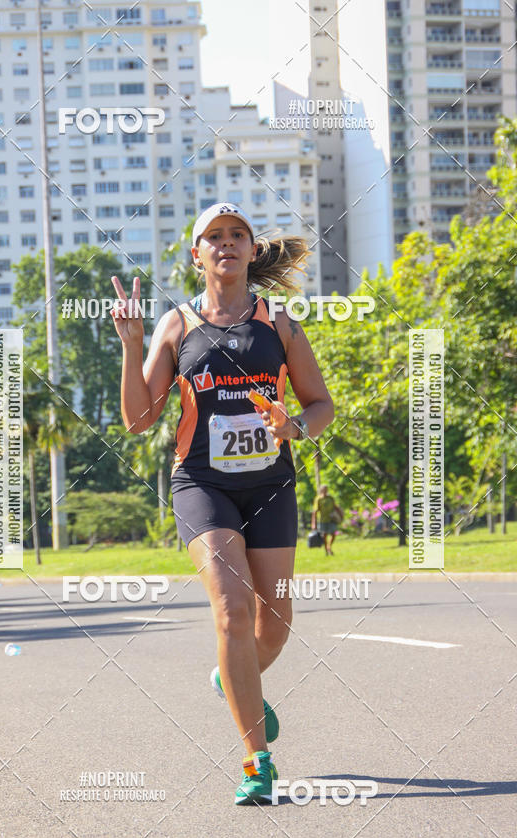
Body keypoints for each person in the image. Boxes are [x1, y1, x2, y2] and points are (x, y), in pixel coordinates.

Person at [110, 202, 334, 805]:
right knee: (233, 612)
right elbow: (137, 419)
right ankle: (256, 760)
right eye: (215, 237)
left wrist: (295, 428)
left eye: (238, 235)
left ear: (251, 251)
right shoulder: (176, 325)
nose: (227, 244)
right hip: (202, 485)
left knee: (275, 625)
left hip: (270, 486)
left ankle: (230, 678)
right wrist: (132, 346)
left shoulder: (280, 324)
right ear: (197, 254)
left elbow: (321, 405)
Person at [311, 485, 342, 556]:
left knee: (333, 534)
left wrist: (341, 515)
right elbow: (315, 512)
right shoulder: (318, 499)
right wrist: (313, 523)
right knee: (324, 535)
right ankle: (326, 550)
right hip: (322, 520)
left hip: (331, 519)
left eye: (326, 489)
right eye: (324, 489)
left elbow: (335, 507)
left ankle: (329, 547)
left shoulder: (330, 498)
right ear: (321, 490)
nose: (325, 491)